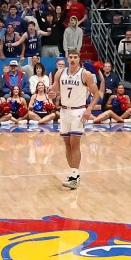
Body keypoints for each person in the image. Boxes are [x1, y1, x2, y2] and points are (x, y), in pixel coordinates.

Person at [54, 50, 100, 188]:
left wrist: (89, 109)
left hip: (78, 111)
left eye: (75, 57)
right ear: (67, 59)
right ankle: (74, 173)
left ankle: (75, 175)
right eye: (70, 57)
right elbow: (54, 90)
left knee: (75, 143)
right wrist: (51, 93)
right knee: (67, 143)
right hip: (64, 111)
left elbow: (97, 94)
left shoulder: (85, 74)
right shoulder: (60, 73)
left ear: (79, 59)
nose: (73, 59)